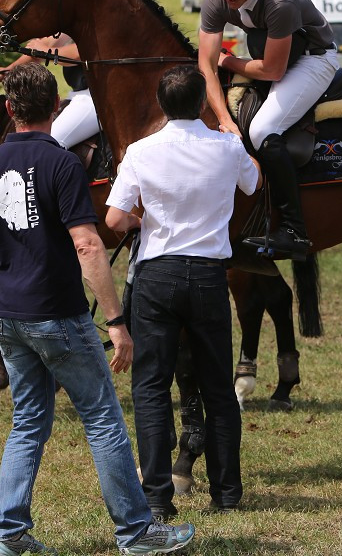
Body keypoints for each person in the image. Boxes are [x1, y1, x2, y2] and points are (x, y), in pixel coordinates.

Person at [0, 62, 194, 556]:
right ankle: (136, 533)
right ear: (57, 108)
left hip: (11, 315)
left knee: (27, 423)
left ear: (9, 110)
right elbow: (89, 246)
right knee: (103, 419)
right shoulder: (64, 165)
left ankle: (8, 535)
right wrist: (115, 321)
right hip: (59, 316)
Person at [105, 64, 261, 519]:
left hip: (157, 275)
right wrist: (232, 131)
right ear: (200, 103)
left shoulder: (139, 150)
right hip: (209, 274)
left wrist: (141, 221)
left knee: (151, 388)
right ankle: (227, 492)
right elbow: (254, 181)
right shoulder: (226, 146)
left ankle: (156, 497)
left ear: (161, 104)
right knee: (217, 386)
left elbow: (115, 220)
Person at [197, 0, 339, 259]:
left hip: (315, 59)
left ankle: (294, 231)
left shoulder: (280, 0)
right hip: (270, 56)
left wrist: (230, 62)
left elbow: (273, 70)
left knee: (262, 129)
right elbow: (205, 63)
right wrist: (224, 120)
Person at [0, 33, 99, 150]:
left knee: (45, 143)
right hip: (78, 94)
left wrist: (46, 51)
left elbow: (84, 51)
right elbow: (42, 46)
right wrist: (10, 69)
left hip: (98, 98)